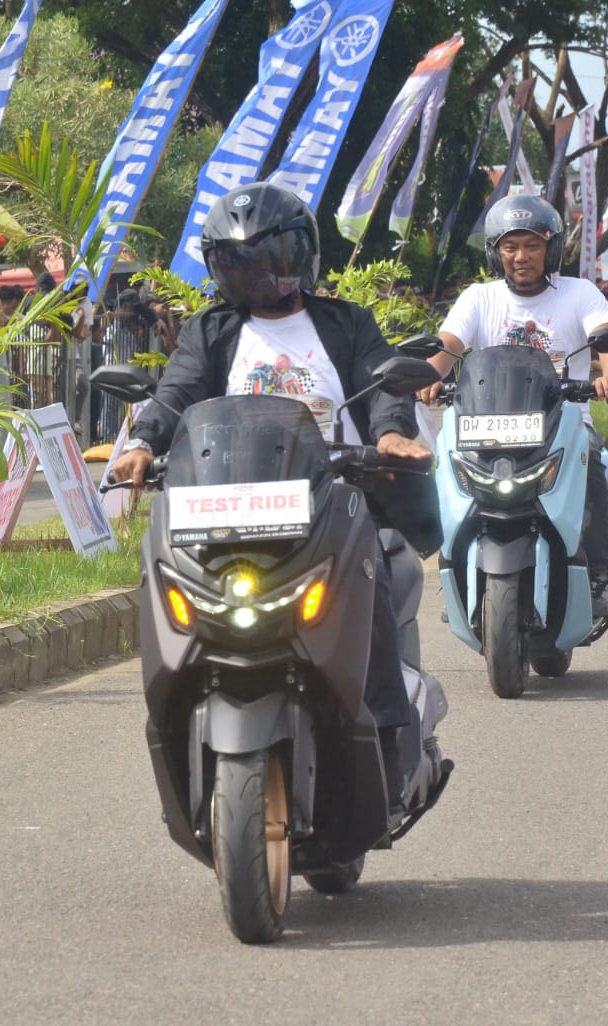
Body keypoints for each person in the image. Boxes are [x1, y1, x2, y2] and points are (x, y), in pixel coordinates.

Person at [110, 182, 433, 821]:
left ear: (300, 255)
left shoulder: (345, 323)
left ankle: (388, 737)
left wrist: (390, 433)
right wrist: (143, 444)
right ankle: (179, 711)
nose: (256, 275)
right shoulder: (211, 331)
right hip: (230, 506)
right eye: (238, 262)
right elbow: (175, 395)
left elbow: (381, 387)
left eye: (268, 258)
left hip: (329, 497)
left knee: (369, 582)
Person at [417, 193, 608, 618]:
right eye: (510, 246)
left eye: (532, 245)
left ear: (551, 248)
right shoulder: (479, 298)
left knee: (593, 465)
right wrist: (425, 378)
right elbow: (449, 346)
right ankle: (455, 571)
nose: (521, 256)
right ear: (495, 253)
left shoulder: (579, 293)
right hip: (485, 427)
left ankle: (600, 575)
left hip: (562, 423)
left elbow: (605, 336)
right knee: (445, 470)